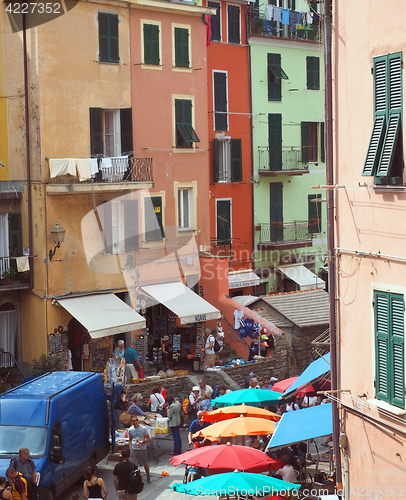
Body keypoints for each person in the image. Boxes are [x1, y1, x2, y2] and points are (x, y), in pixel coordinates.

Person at [128, 416, 151, 484]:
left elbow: (148, 439)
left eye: (136, 420)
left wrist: (143, 442)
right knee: (133, 464)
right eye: (134, 421)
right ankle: (136, 478)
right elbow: (130, 440)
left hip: (142, 449)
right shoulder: (130, 430)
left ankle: (148, 475)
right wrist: (130, 449)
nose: (135, 422)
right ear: (131, 422)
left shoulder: (143, 428)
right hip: (134, 449)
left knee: (144, 463)